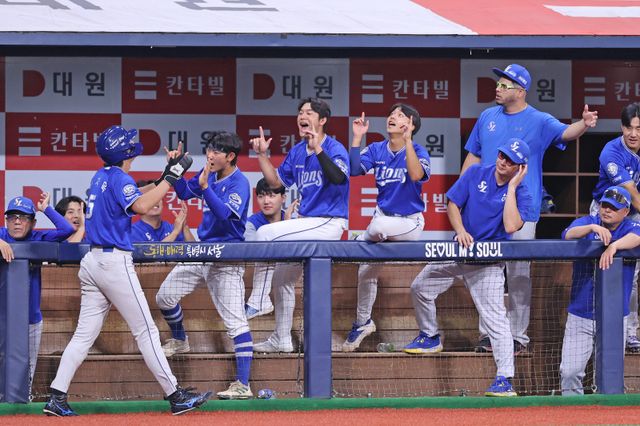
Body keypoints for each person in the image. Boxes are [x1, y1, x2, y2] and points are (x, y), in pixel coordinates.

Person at [43, 125, 211, 417]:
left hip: (93, 262)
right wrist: (172, 176)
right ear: (125, 151)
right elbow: (142, 205)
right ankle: (175, 396)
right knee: (146, 331)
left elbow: (135, 195)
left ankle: (56, 397)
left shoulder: (102, 175)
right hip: (113, 264)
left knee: (83, 336)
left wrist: (164, 177)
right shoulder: (120, 177)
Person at [462, 63, 599, 354]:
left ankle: (517, 337)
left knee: (518, 275)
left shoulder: (539, 119)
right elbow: (474, 157)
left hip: (522, 208)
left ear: (521, 91)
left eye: (505, 85)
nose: (498, 88)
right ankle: (489, 335)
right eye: (498, 84)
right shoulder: (487, 117)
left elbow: (566, 133)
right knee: (488, 276)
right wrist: (464, 193)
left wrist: (584, 124)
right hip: (486, 208)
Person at [405, 139, 535, 397]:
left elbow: (511, 226)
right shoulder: (476, 172)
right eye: (502, 155)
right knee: (420, 287)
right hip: (460, 251)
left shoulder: (522, 193)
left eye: (510, 160)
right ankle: (430, 335)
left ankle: (505, 378)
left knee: (496, 321)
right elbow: (453, 203)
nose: (503, 161)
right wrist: (461, 230)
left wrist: (511, 187)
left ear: (520, 168)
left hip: (487, 264)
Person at [155, 131, 254, 400]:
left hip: (226, 258)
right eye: (209, 150)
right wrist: (173, 168)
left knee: (235, 323)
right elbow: (183, 192)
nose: (210, 155)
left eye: (216, 152)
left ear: (230, 156)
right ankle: (180, 340)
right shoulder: (207, 172)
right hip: (202, 250)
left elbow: (224, 216)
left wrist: (206, 187)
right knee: (164, 296)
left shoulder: (240, 182)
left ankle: (243, 384)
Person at [250, 97, 349, 353]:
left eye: (309, 112)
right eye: (300, 112)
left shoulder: (334, 148)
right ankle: (281, 339)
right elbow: (276, 184)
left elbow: (339, 179)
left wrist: (319, 150)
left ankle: (258, 300)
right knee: (282, 279)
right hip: (308, 222)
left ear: (322, 120)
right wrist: (262, 156)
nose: (302, 116)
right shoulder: (297, 151)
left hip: (328, 222)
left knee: (265, 233)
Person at [342, 104, 431, 352]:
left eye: (400, 115)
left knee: (377, 228)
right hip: (382, 220)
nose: (392, 117)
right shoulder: (377, 149)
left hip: (409, 222)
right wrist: (357, 138)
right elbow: (354, 170)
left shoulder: (418, 150)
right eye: (392, 114)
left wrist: (408, 141)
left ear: (410, 124)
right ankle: (362, 322)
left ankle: (363, 237)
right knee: (365, 272)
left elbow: (416, 175)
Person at [560, 186, 640, 394]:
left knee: (609, 376)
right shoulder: (589, 221)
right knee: (569, 372)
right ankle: (570, 411)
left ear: (625, 211)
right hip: (581, 313)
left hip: (615, 317)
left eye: (613, 207)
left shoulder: (630, 227)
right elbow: (567, 234)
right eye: (605, 205)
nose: (607, 210)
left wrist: (614, 246)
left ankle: (605, 413)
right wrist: (592, 228)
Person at [0, 195, 74, 397]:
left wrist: (47, 209)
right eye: (12, 217)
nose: (17, 222)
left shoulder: (38, 237)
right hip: (3, 318)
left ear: (33, 223)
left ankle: (24, 403)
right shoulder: (2, 234)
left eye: (23, 217)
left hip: (31, 320)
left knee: (28, 369)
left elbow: (67, 230)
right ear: (6, 221)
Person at [590, 103, 640, 353]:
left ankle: (630, 331)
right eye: (629, 128)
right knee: (598, 271)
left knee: (632, 277)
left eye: (639, 128)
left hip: (633, 215)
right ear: (622, 127)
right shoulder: (611, 151)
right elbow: (631, 192)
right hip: (606, 211)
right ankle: (593, 326)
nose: (633, 134)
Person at [244, 178, 297, 320]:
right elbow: (254, 253)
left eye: (271, 195)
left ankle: (282, 332)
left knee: (285, 284)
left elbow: (295, 254)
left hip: (288, 275)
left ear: (283, 197)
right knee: (265, 246)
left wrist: (287, 224)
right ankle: (259, 301)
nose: (266, 201)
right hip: (261, 271)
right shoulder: (251, 223)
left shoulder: (292, 220)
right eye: (261, 196)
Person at [130, 179, 195, 243]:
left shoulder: (171, 228)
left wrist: (184, 226)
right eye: (149, 199)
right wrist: (174, 233)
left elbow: (194, 248)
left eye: (157, 197)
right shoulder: (133, 231)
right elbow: (152, 250)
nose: (155, 202)